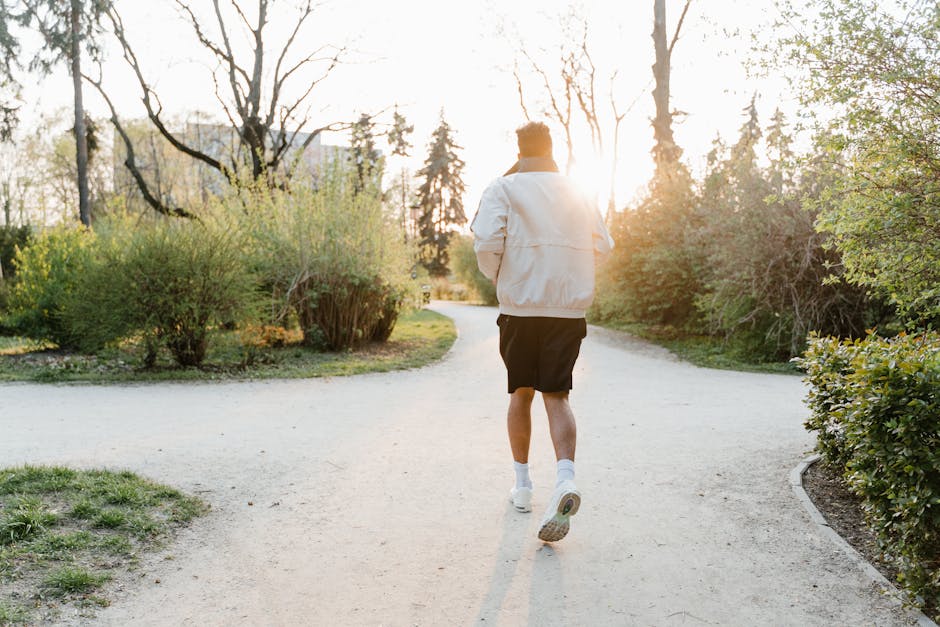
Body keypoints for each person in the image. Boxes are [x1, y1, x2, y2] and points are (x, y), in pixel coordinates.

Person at [470, 121, 614, 542]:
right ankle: (565, 478)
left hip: (519, 308)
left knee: (521, 392)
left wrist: (500, 278)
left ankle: (523, 486)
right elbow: (603, 245)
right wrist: (574, 273)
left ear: (520, 149)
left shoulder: (503, 188)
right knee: (558, 394)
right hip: (566, 311)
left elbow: (484, 243)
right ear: (552, 148)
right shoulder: (577, 190)